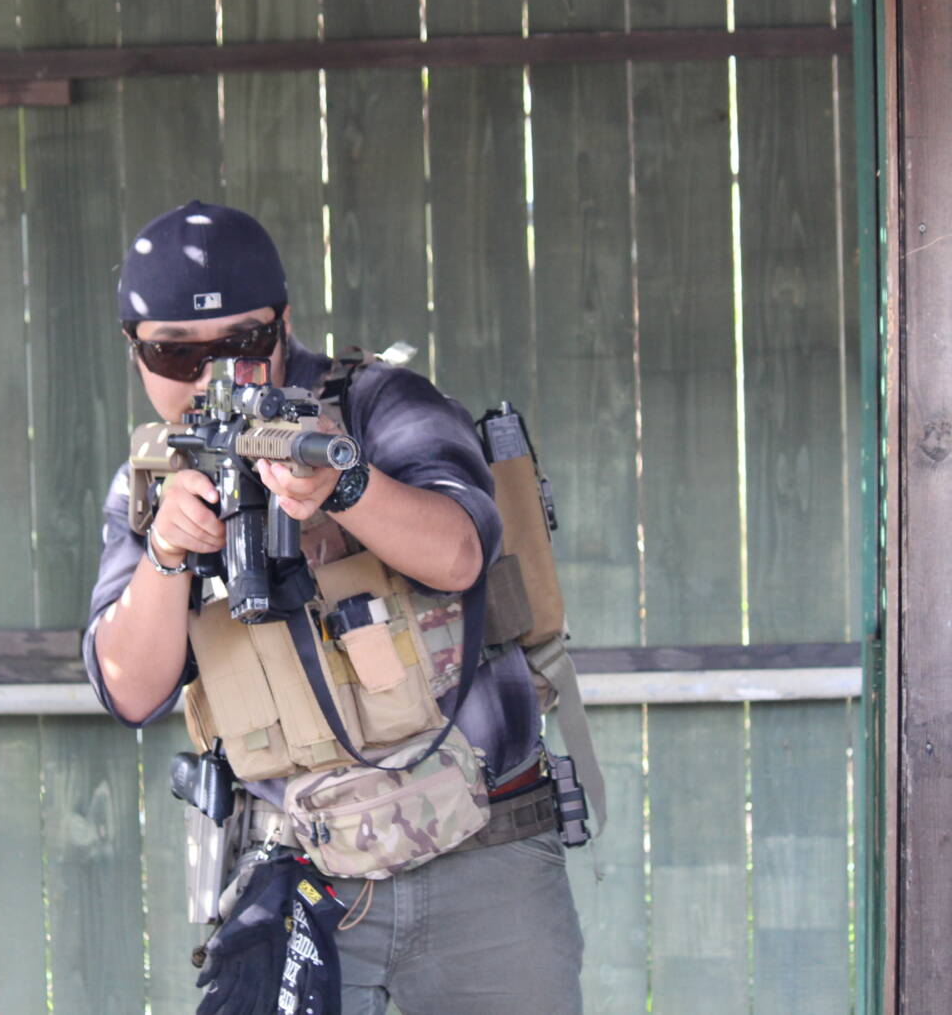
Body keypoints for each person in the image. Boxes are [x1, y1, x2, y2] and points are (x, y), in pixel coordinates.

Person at [83, 200, 585, 1014]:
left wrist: (345, 484)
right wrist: (167, 550)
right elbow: (129, 688)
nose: (213, 377)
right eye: (176, 353)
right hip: (304, 874)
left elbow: (462, 550)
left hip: (484, 850)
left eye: (241, 345)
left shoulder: (378, 406)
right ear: (136, 353)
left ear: (282, 325)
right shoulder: (153, 478)